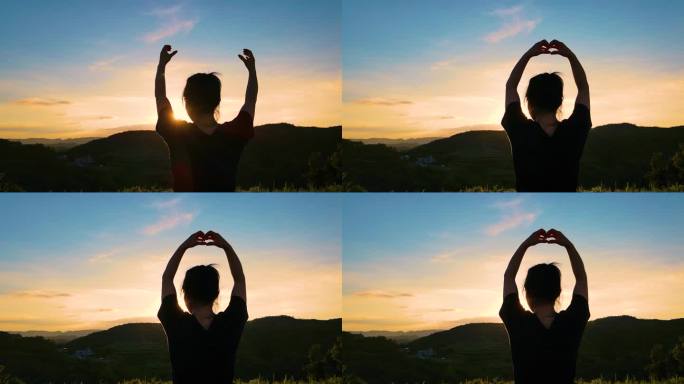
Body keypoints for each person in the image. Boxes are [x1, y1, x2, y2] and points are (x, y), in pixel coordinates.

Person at [155, 45, 258, 191]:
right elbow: (250, 101)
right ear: (218, 101)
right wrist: (252, 70)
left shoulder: (176, 132)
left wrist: (162, 65)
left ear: (187, 103)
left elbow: (160, 97)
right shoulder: (236, 132)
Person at [500, 228, 590, 384]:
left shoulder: (518, 321)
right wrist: (568, 246)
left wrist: (526, 244)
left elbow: (508, 276)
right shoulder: (572, 321)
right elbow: (581, 278)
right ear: (558, 292)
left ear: (527, 292)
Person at [158, 230, 247, 384]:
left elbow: (167, 277)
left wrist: (184, 246)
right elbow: (239, 279)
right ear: (216, 294)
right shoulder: (231, 322)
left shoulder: (176, 323)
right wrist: (227, 247)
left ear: (186, 295)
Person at [503, 40, 591, 192]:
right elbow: (583, 87)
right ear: (560, 101)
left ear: (529, 101)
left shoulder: (520, 129)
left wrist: (528, 55)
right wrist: (571, 56)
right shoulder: (575, 130)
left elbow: (510, 85)